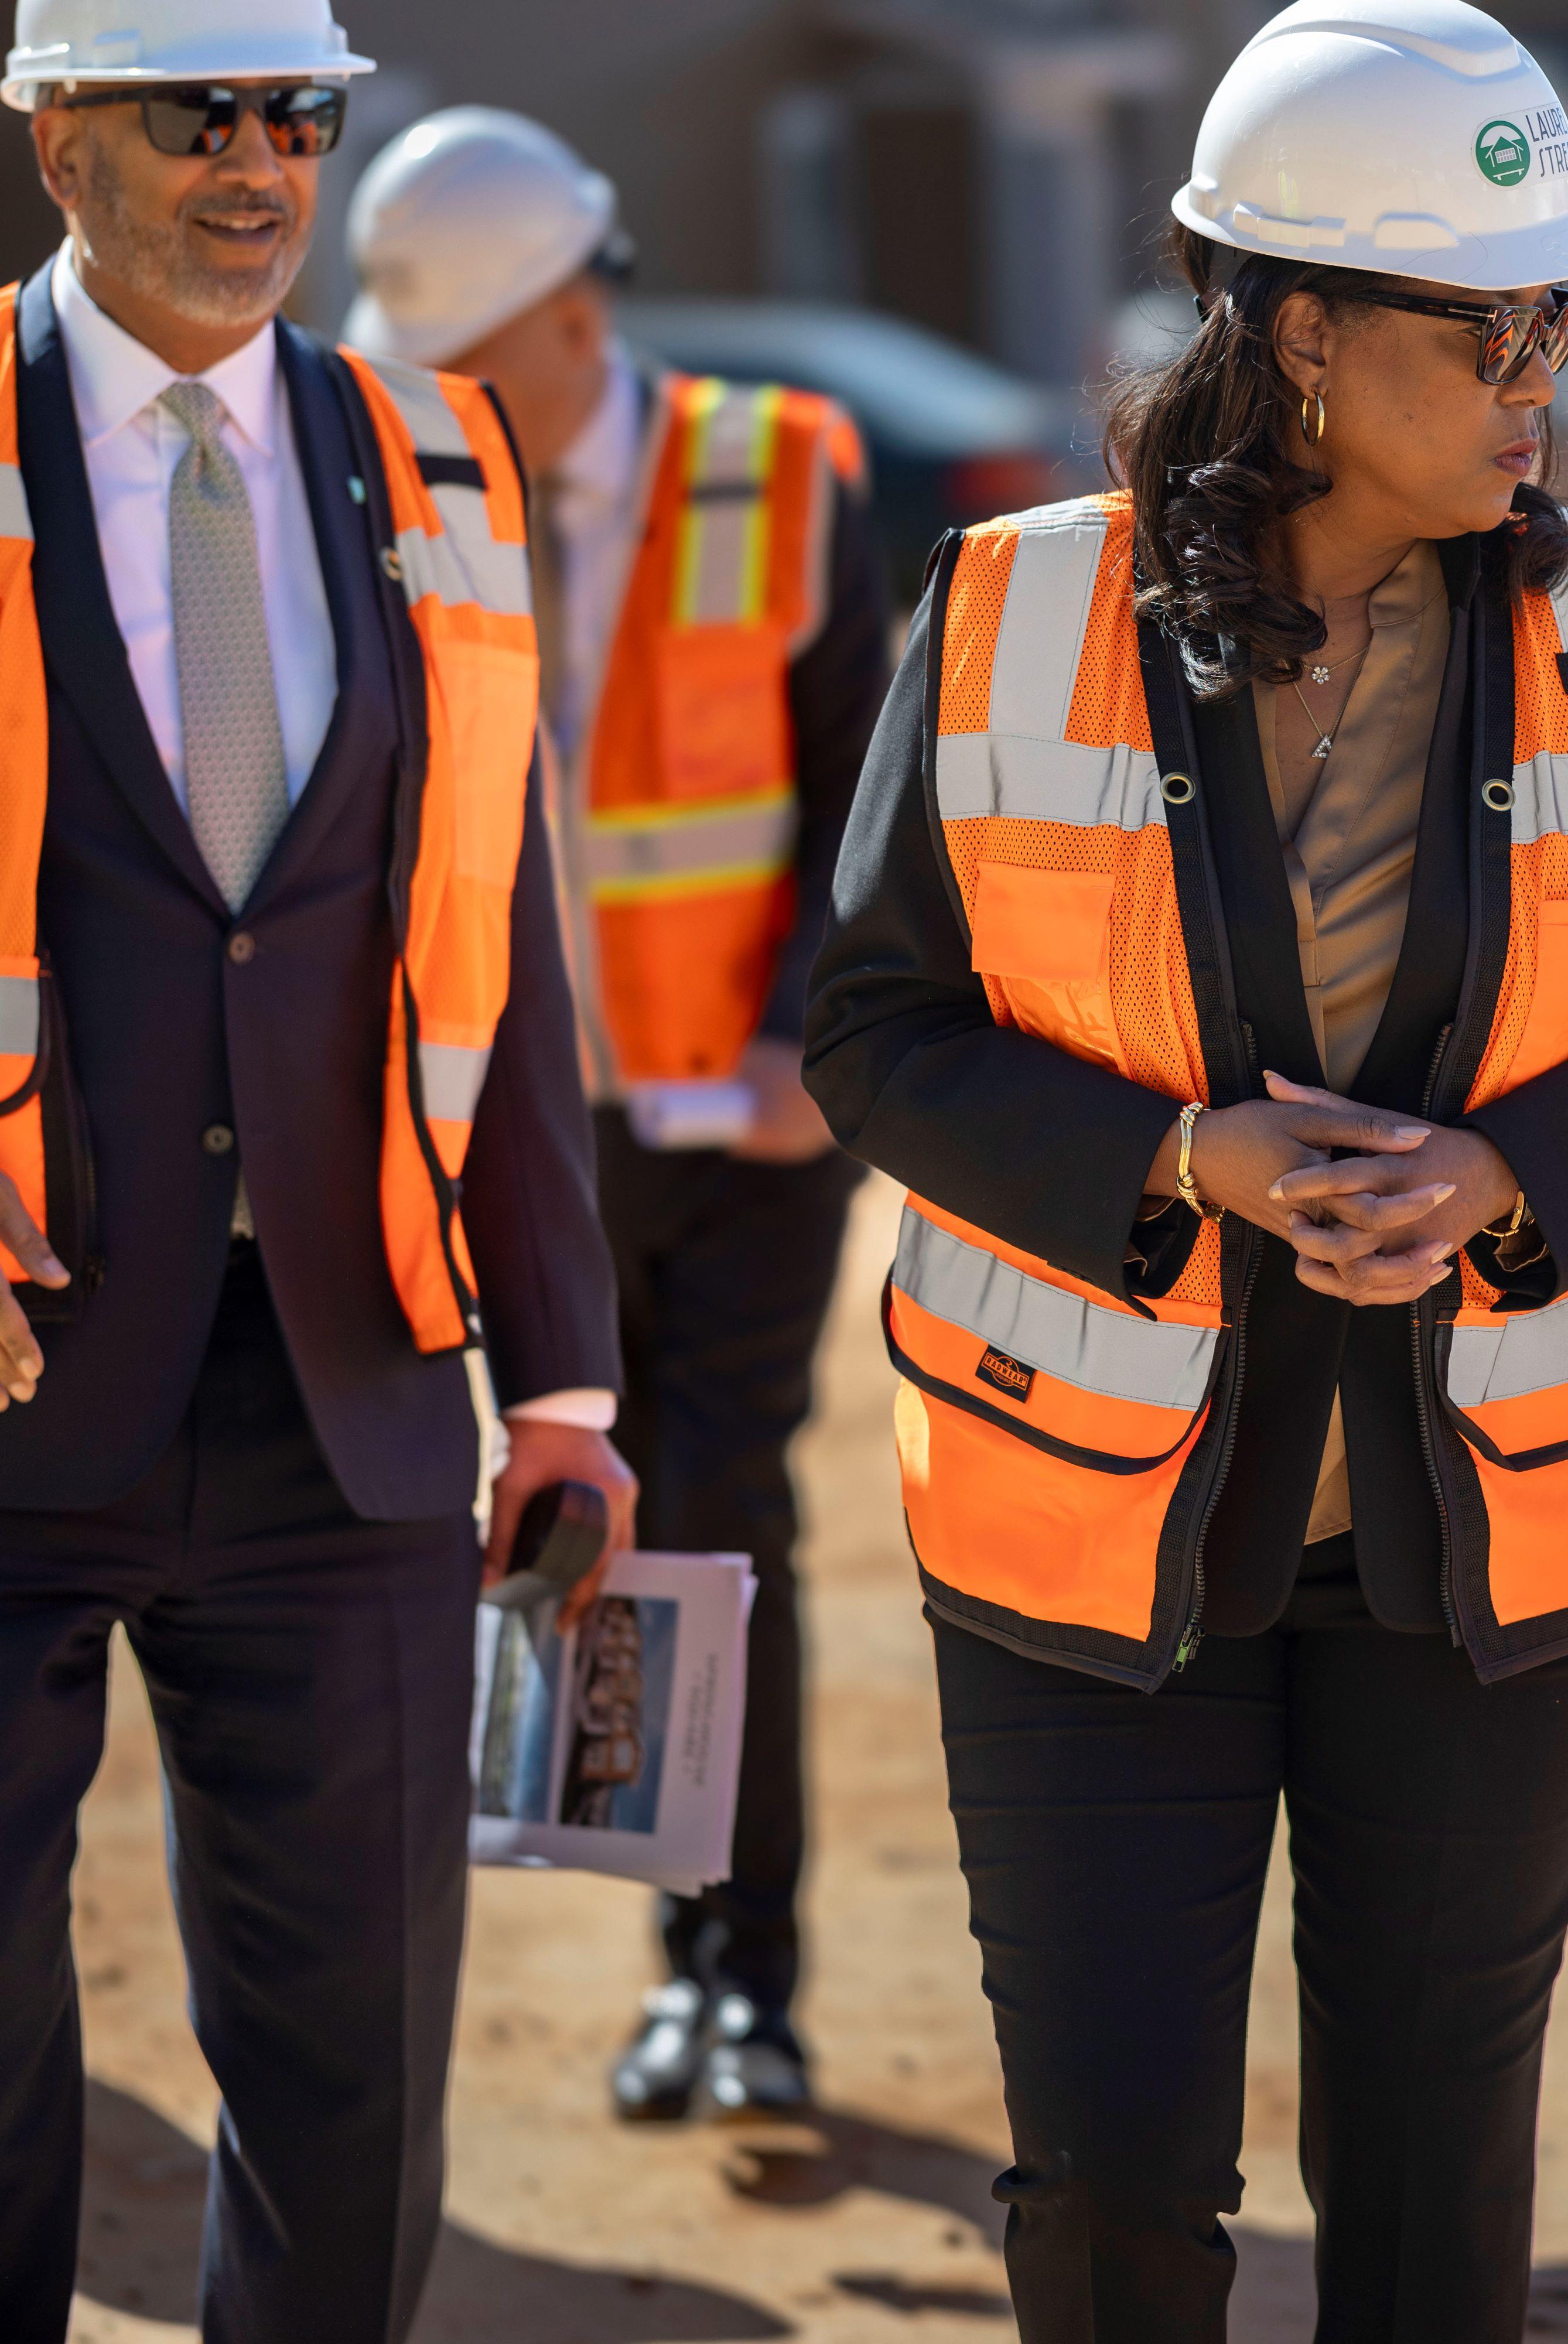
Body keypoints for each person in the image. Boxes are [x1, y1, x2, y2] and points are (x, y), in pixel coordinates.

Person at [801, 2, 1568, 2332]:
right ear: (1308, 336)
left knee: (1437, 2197)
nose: (1549, 368)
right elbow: (876, 1028)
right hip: (1090, 1523)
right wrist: (1173, 1155)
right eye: (1500, 318)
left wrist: (1508, 1177)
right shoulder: (1014, 603)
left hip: (1492, 1535)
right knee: (1119, 2193)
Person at [0, 0, 630, 2331]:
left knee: (354, 2076)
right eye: (203, 114)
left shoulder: (429, 451)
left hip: (347, 1372)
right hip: (15, 1360)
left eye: (303, 113)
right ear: (64, 141)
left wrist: (565, 1373)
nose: (264, 161)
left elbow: (493, 917)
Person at [344, 104, 893, 2121]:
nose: (451, 400)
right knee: (574, 1518)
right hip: (512, 1131)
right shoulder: (404, 484)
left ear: (574, 310)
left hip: (736, 1131)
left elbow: (865, 809)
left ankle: (738, 1987)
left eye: (477, 360)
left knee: (721, 1510)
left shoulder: (784, 469)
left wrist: (795, 1050)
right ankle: (676, 1955)